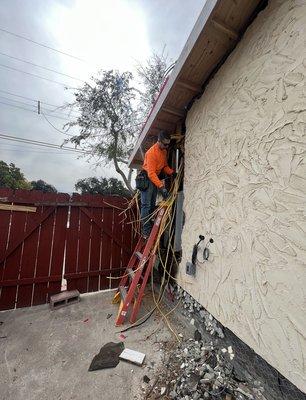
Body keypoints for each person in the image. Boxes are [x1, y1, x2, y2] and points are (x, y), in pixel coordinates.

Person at [140, 131, 174, 238]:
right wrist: (162, 187)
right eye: (165, 144)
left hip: (154, 179)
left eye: (168, 144)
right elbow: (151, 173)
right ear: (158, 141)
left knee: (152, 205)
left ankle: (149, 224)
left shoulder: (163, 151)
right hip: (147, 179)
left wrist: (172, 172)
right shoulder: (151, 153)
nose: (166, 146)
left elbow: (164, 166)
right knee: (146, 205)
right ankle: (146, 231)